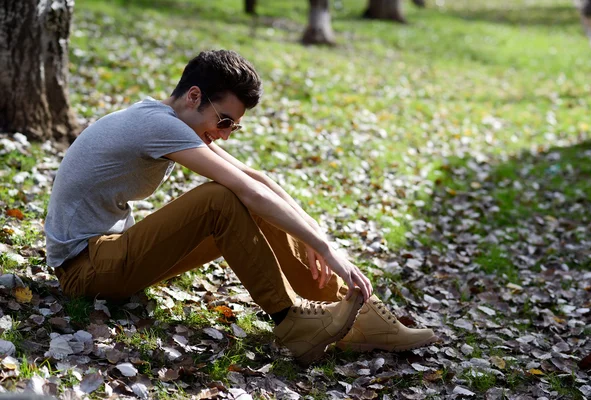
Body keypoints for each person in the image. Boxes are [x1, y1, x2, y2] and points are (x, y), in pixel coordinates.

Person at [45, 50, 438, 366]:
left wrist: (322, 242)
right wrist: (325, 247)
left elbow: (259, 180)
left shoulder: (164, 118)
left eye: (235, 127)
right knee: (220, 199)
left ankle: (355, 309)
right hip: (85, 270)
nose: (224, 134)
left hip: (113, 254)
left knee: (247, 199)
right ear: (194, 96)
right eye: (225, 120)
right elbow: (243, 189)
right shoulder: (156, 124)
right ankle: (291, 322)